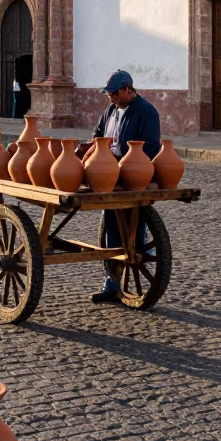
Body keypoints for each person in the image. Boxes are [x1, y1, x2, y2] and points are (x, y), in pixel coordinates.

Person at [80, 70, 161, 303]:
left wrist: (124, 163)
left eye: (115, 93)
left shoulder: (146, 112)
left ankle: (137, 251)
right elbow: (98, 134)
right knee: (111, 224)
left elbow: (151, 147)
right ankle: (111, 281)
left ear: (128, 89)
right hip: (107, 174)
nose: (112, 98)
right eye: (109, 94)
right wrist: (91, 153)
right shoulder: (111, 110)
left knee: (134, 222)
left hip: (131, 175)